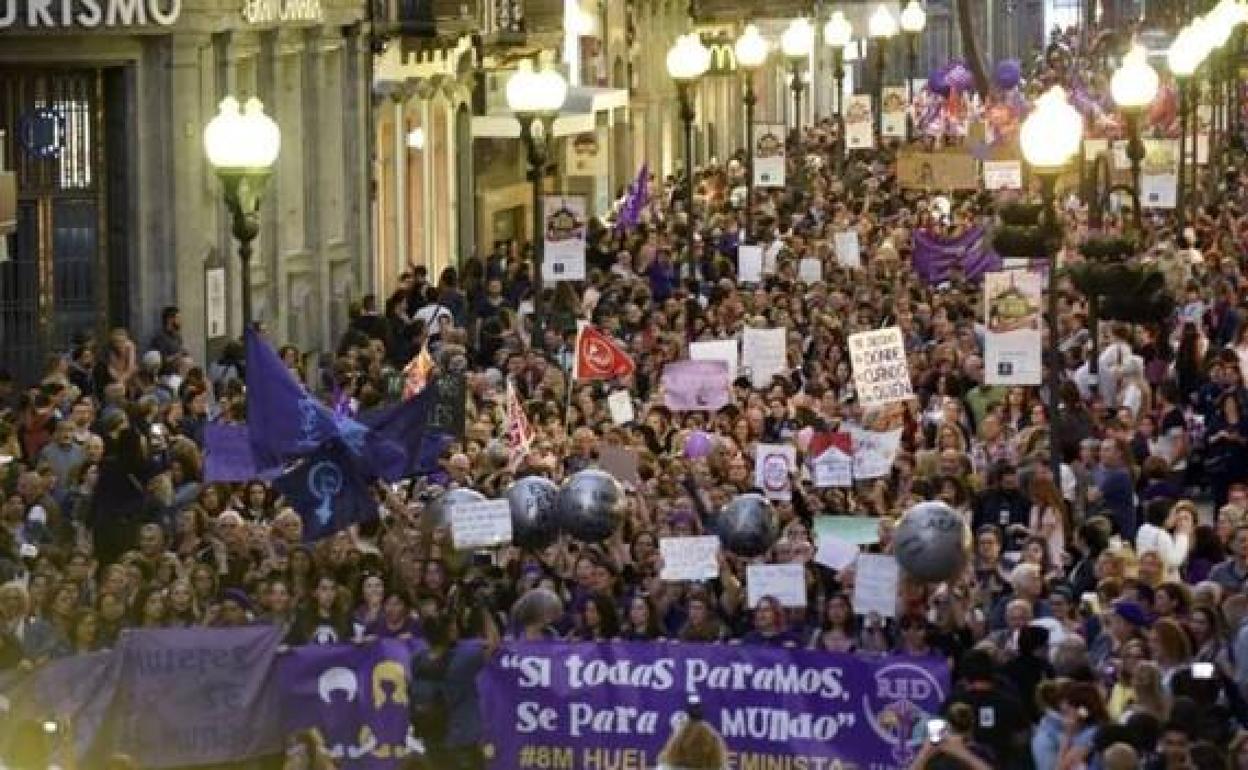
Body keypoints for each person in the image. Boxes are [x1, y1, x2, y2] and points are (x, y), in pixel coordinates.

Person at [408, 609, 499, 770]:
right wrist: (485, 612)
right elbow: (493, 643)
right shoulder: (464, 658)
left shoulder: (417, 658)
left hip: (431, 737)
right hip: (461, 738)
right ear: (450, 632)